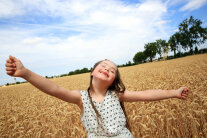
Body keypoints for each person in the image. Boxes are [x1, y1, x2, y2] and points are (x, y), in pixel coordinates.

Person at [5, 55, 190, 138]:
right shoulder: (80, 97)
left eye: (112, 71)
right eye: (103, 65)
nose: (107, 69)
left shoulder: (117, 95)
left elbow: (145, 95)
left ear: (112, 81)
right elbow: (53, 88)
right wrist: (25, 73)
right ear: (92, 72)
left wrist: (173, 93)